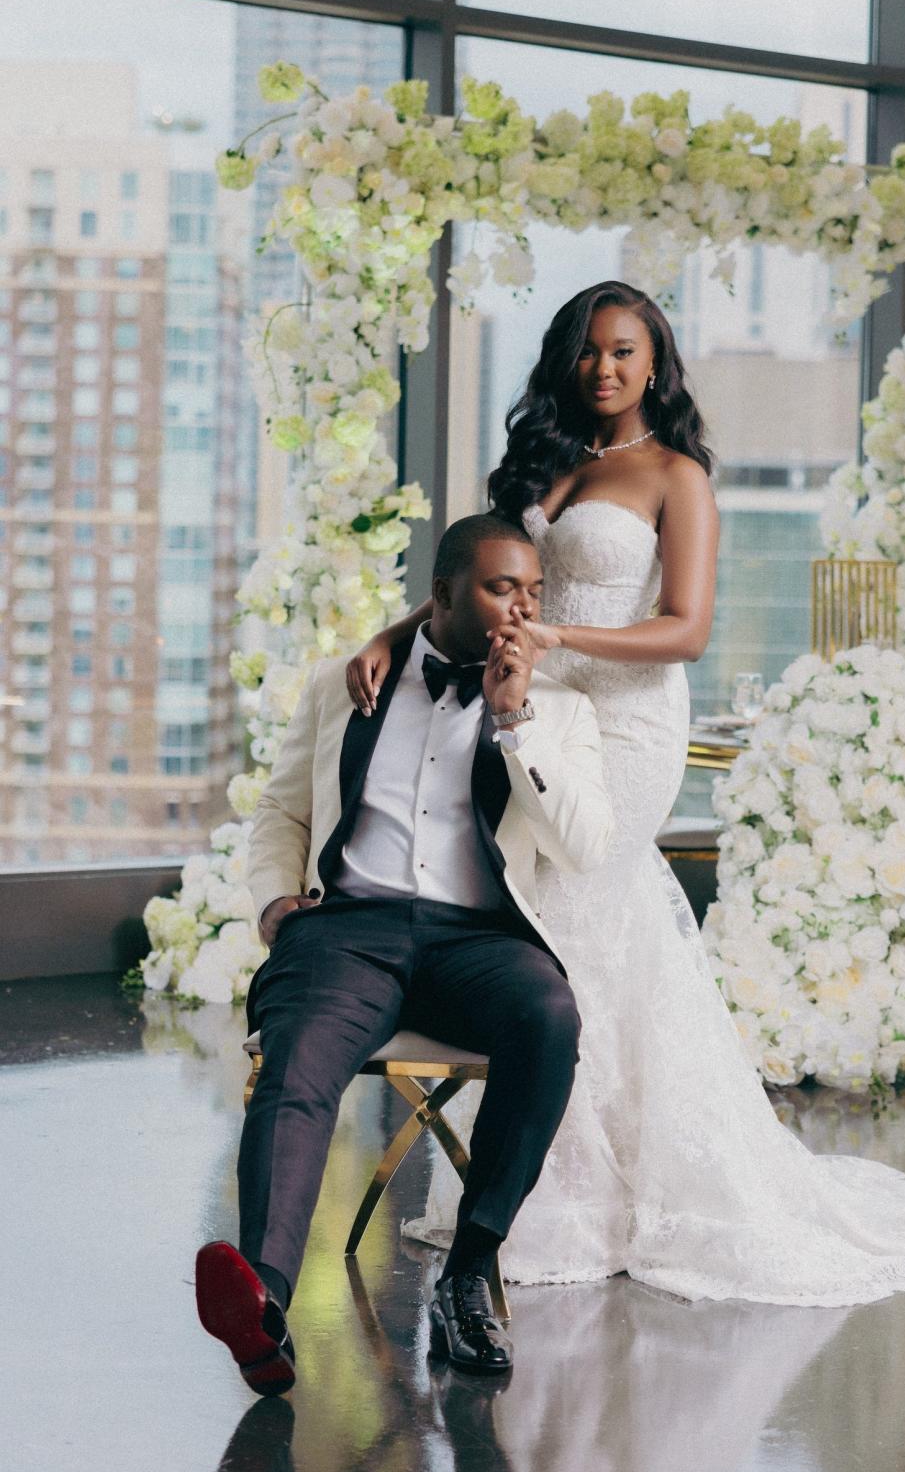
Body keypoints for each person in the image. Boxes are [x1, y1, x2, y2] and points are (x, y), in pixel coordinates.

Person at [347, 280, 905, 1308]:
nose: (605, 368)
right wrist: (392, 635)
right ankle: (544, 1181)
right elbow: (473, 578)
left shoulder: (677, 475)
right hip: (532, 716)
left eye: (626, 351)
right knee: (527, 915)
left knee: (589, 904)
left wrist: (561, 637)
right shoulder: (537, 462)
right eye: (590, 350)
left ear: (657, 362)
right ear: (567, 358)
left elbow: (687, 628)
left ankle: (588, 1195)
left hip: (631, 720)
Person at [195, 514, 614, 1389]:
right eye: (503, 588)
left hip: (478, 940)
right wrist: (277, 902)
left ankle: (468, 1272)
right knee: (298, 1063)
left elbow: (585, 848)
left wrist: (515, 719)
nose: (521, 608)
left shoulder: (562, 713)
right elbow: (281, 812)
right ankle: (263, 1305)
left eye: (534, 593)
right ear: (444, 593)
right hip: (349, 928)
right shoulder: (344, 684)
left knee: (550, 1016)